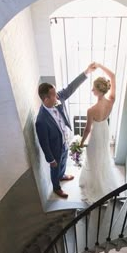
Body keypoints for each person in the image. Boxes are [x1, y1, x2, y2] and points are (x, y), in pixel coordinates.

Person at [36, 63, 96, 198]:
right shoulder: (41, 121)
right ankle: (56, 188)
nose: (57, 96)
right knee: (55, 166)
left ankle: (62, 175)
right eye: (53, 95)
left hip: (64, 141)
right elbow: (44, 143)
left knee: (63, 162)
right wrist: (50, 159)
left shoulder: (57, 98)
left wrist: (86, 72)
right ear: (46, 99)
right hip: (54, 148)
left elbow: (70, 88)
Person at [79, 63, 119, 205]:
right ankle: (102, 180)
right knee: (102, 155)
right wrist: (100, 66)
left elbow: (87, 130)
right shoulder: (112, 100)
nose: (91, 90)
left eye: (93, 88)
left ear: (99, 90)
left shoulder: (91, 110)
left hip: (96, 134)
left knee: (92, 157)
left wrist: (81, 143)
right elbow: (113, 76)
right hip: (105, 130)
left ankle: (96, 186)